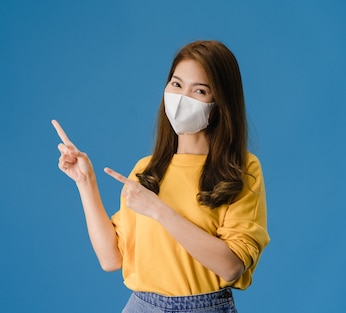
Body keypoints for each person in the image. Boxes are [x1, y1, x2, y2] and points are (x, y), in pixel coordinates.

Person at [52, 40, 269, 313]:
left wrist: (158, 209)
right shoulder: (147, 169)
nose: (182, 98)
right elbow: (110, 259)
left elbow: (232, 265)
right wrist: (85, 182)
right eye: (176, 85)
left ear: (219, 102)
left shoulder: (241, 168)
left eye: (199, 90)